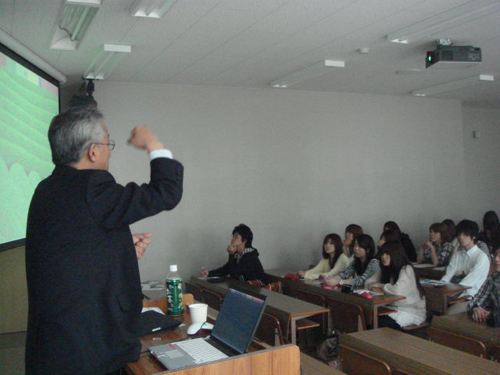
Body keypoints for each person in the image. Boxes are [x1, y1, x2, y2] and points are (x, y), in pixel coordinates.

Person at [25, 107, 184, 375]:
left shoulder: (47, 189)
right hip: (84, 351)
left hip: (53, 346)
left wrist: (122, 249)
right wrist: (153, 144)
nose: (109, 150)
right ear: (93, 152)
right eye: (107, 143)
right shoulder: (92, 185)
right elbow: (166, 192)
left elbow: (70, 253)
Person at [368, 241, 426, 329]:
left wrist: (381, 286)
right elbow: (370, 282)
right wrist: (374, 286)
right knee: (368, 318)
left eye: (387, 254)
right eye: (382, 253)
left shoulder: (406, 268)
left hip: (409, 311)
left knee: (380, 323)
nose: (384, 257)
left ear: (396, 254)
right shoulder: (386, 268)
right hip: (391, 308)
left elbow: (397, 291)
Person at [441, 220, 490, 314]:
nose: (460, 237)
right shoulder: (458, 255)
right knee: (431, 305)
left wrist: (447, 295)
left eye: (465, 235)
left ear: (474, 236)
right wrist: (439, 285)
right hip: (453, 294)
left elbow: (467, 284)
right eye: (459, 234)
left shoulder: (481, 257)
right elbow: (448, 276)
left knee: (448, 313)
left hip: (471, 298)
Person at [200, 224, 267, 283]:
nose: (232, 239)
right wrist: (209, 273)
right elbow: (226, 269)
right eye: (233, 236)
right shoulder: (238, 254)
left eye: (236, 237)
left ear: (244, 241)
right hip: (246, 287)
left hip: (256, 289)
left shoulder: (250, 256)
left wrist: (231, 254)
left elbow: (235, 273)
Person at [468, 244, 500, 327]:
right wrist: (476, 309)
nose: (496, 259)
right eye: (495, 255)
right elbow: (476, 300)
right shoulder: (494, 277)